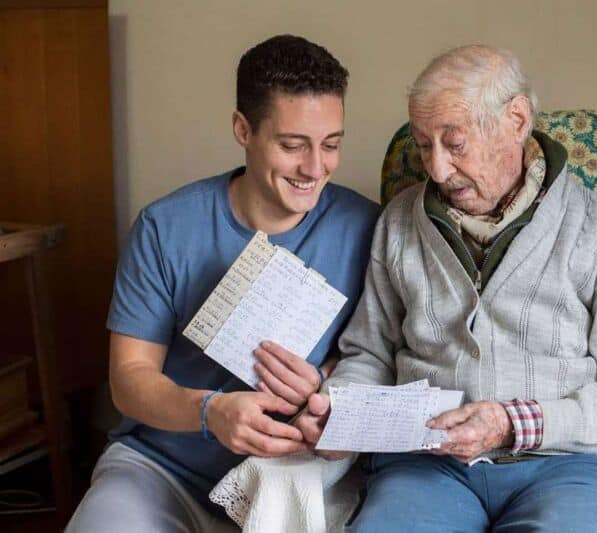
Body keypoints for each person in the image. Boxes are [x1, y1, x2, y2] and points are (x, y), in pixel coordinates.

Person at [297, 44, 597, 532]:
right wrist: (340, 412)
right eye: (423, 144)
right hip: (425, 466)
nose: (436, 168)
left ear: (516, 120)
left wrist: (514, 423)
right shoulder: (399, 223)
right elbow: (369, 355)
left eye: (454, 144)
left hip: (566, 467)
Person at [67, 35, 380, 532]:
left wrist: (325, 381)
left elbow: (384, 357)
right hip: (163, 469)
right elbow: (129, 380)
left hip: (292, 478)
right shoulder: (165, 227)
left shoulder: (368, 228)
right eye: (292, 145)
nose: (315, 168)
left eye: (331, 144)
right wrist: (209, 412)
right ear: (243, 129)